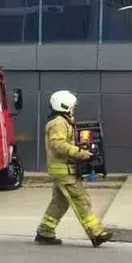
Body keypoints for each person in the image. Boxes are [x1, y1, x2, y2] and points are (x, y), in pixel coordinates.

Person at [35, 90, 112, 247]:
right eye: (73, 107)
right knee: (80, 199)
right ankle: (96, 233)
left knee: (59, 203)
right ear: (66, 106)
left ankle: (45, 232)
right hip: (64, 172)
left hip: (64, 171)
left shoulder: (62, 121)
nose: (74, 109)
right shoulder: (58, 123)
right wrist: (80, 153)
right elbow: (57, 144)